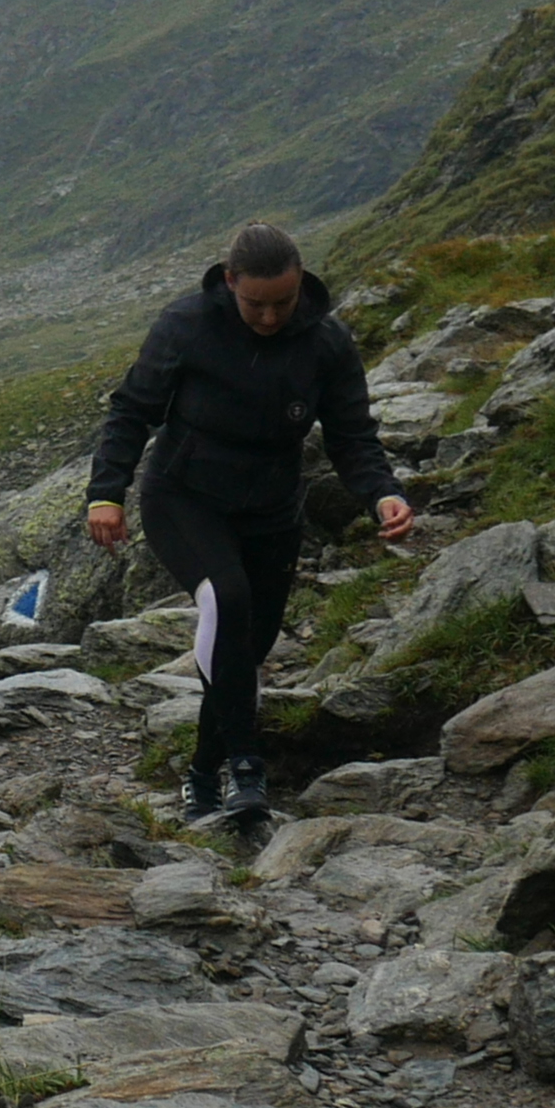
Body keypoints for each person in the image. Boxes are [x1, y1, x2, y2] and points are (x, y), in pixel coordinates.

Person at [83, 221, 411, 831]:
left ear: (301, 285)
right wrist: (107, 494)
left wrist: (382, 494)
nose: (268, 317)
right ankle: (245, 767)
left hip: (272, 511)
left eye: (282, 304)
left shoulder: (327, 343)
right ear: (230, 281)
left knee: (247, 650)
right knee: (227, 602)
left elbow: (352, 436)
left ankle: (203, 782)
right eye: (254, 303)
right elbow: (131, 411)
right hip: (185, 498)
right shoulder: (187, 326)